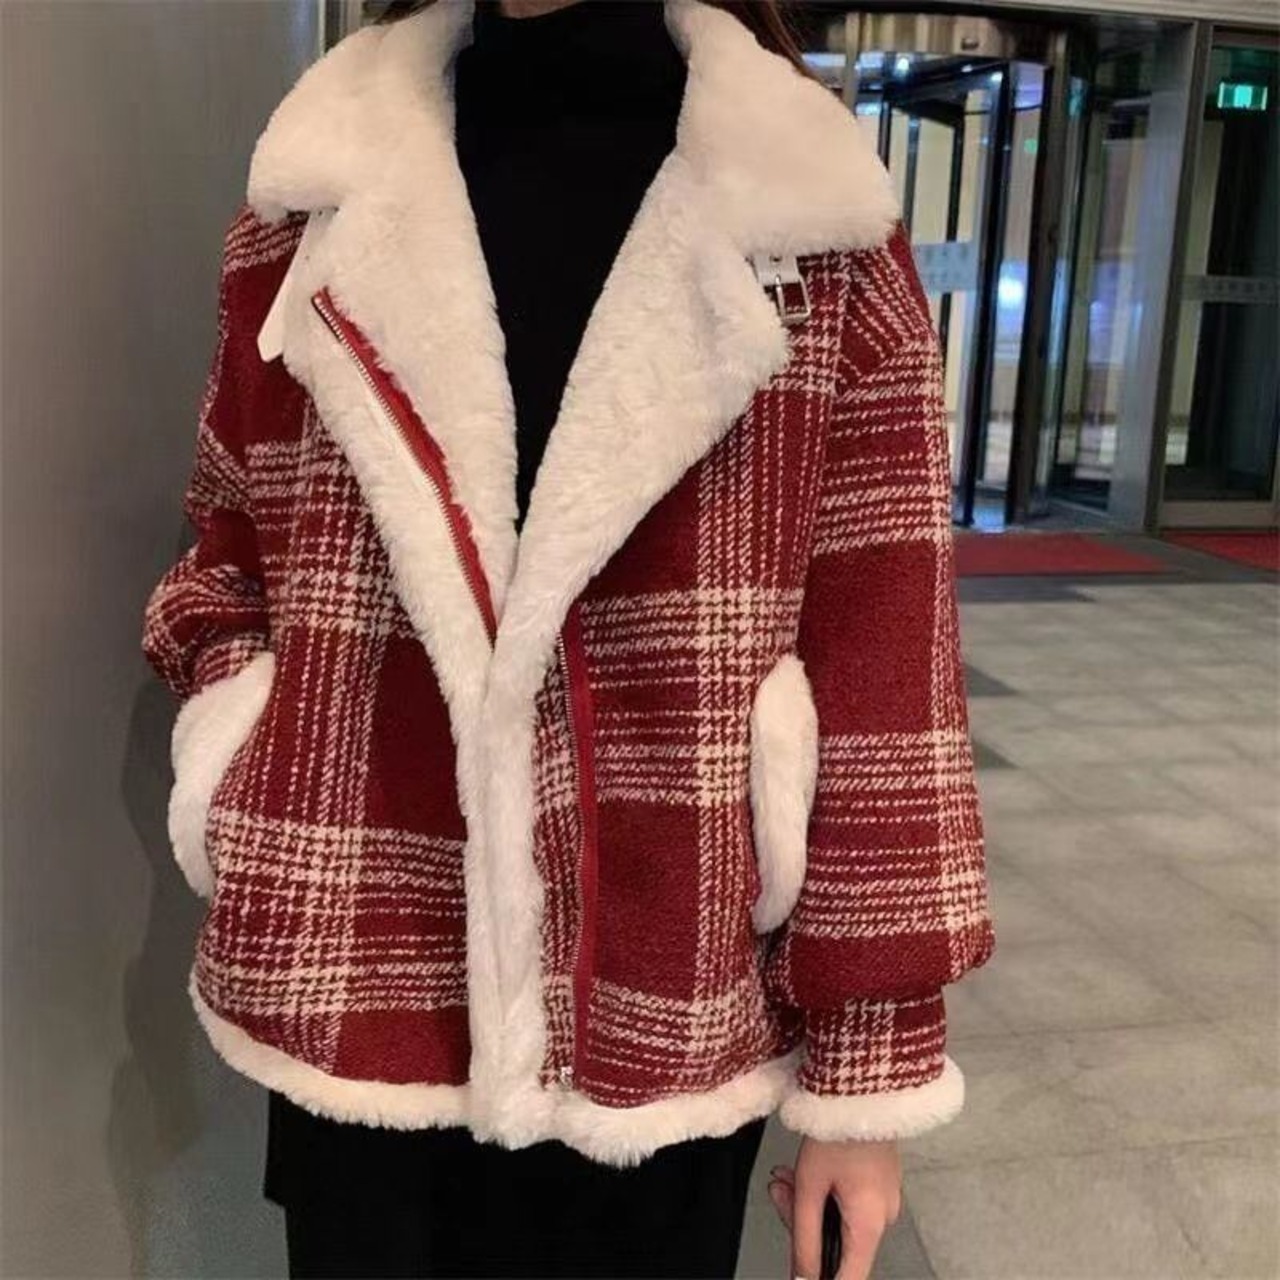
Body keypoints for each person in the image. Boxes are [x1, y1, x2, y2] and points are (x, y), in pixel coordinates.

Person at [140, 1, 995, 1277]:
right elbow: (226, 549)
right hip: (357, 967)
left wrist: (866, 1082)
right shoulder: (310, 200)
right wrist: (245, 744)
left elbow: (888, 675)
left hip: (664, 990)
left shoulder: (814, 226)